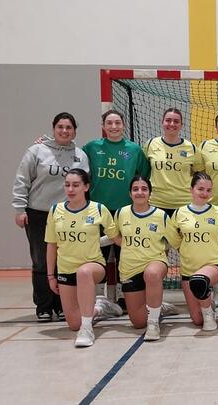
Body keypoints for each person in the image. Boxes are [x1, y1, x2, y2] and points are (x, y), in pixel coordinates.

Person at [12, 112, 90, 323]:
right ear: (53, 128)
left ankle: (63, 305)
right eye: (60, 127)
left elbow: (84, 185)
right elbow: (22, 180)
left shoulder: (80, 155)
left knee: (64, 261)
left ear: (74, 131)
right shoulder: (37, 150)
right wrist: (20, 209)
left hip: (67, 215)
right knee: (41, 261)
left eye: (69, 128)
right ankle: (44, 306)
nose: (64, 131)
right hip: (38, 213)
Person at [45, 169, 123, 347]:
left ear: (86, 187)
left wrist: (140, 245)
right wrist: (51, 276)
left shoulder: (98, 209)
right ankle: (100, 307)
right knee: (73, 324)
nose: (70, 189)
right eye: (67, 185)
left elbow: (115, 237)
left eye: (76, 185)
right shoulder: (55, 210)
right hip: (66, 270)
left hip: (93, 266)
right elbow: (51, 245)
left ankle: (87, 329)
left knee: (84, 272)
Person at [83, 110, 151, 311]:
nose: (114, 127)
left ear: (123, 125)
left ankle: (124, 295)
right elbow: (72, 159)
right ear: (103, 126)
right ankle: (97, 300)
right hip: (98, 211)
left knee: (126, 254)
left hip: (125, 212)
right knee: (98, 254)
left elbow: (143, 175)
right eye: (109, 123)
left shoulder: (134, 150)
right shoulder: (91, 147)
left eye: (118, 123)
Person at [109, 176, 170, 341]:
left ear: (150, 193)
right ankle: (158, 306)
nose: (140, 192)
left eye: (144, 189)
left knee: (151, 273)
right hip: (129, 269)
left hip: (154, 263)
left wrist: (155, 252)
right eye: (135, 189)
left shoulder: (161, 215)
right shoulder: (121, 213)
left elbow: (170, 242)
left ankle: (153, 323)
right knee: (137, 322)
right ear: (130, 193)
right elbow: (117, 237)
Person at [167, 172, 218, 331]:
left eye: (208, 190)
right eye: (200, 189)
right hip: (188, 269)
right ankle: (208, 303)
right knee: (196, 320)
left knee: (199, 281)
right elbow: (174, 240)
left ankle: (209, 315)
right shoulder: (179, 213)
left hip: (213, 265)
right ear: (191, 189)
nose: (205, 193)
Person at [144, 107, 202, 216]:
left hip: (183, 203)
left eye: (176, 121)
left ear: (181, 125)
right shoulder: (151, 144)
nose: (172, 124)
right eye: (168, 120)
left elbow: (199, 173)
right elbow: (143, 171)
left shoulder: (191, 148)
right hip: (156, 202)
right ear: (162, 123)